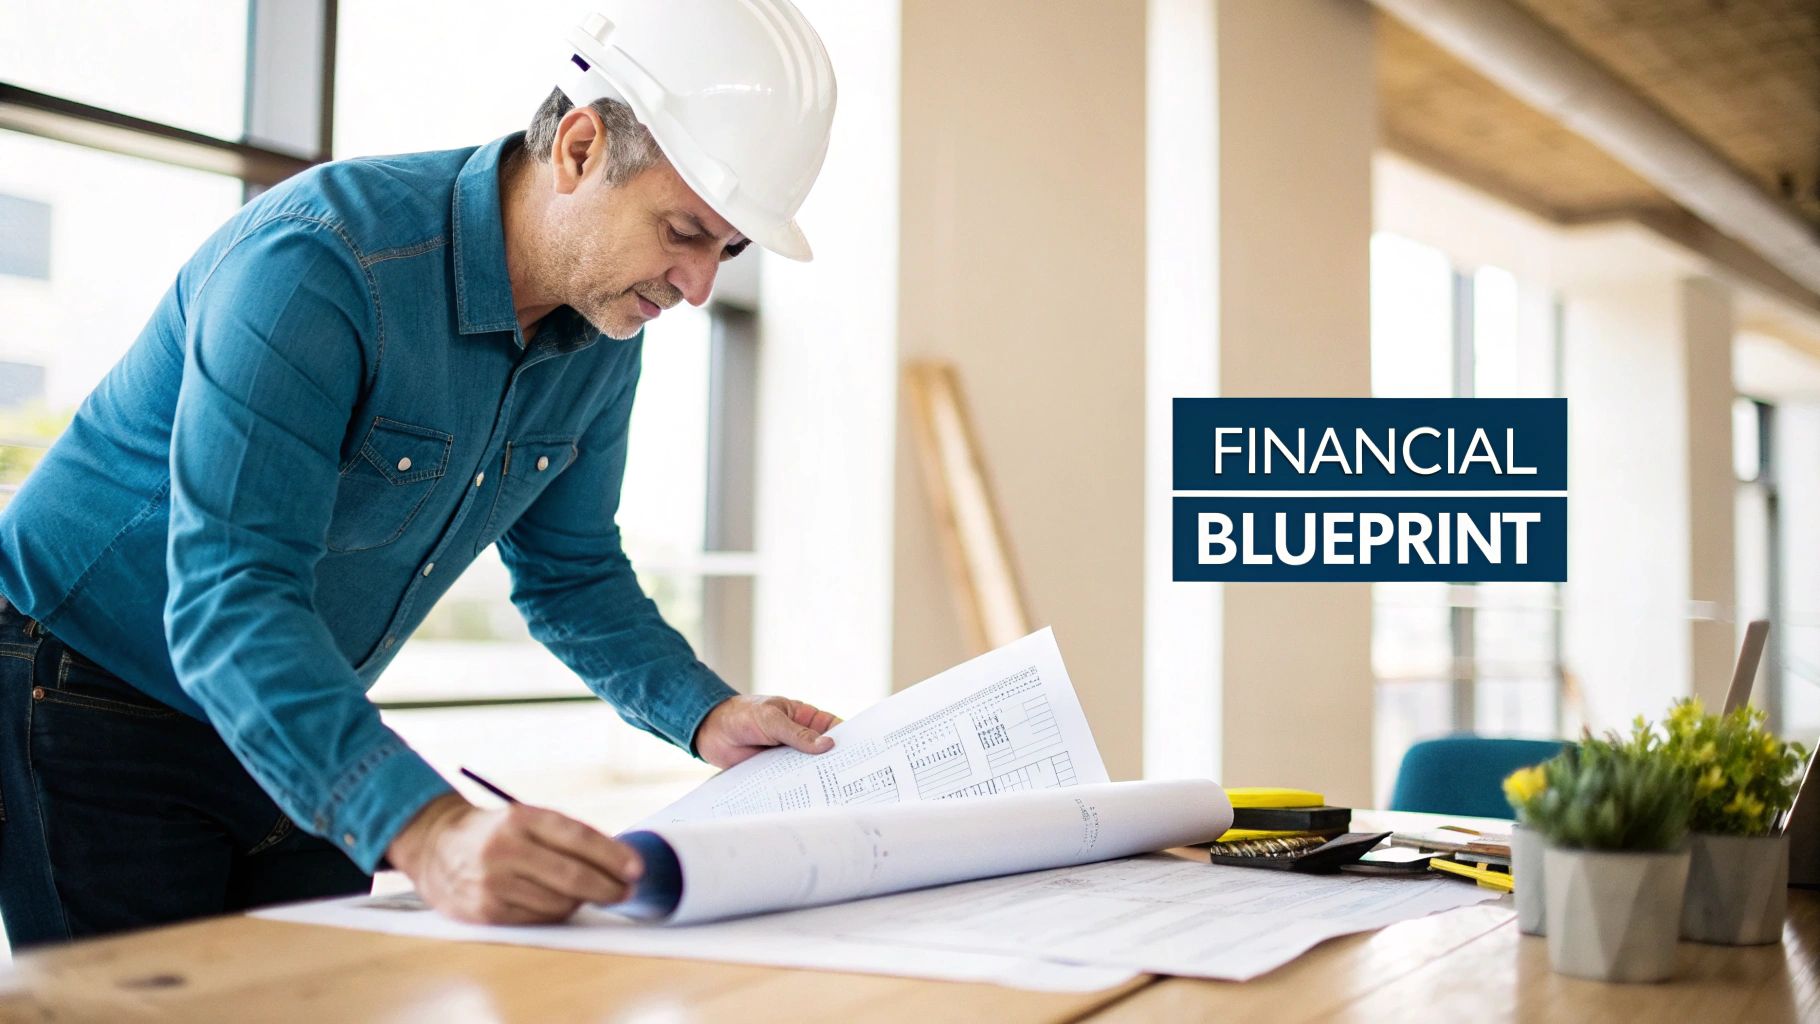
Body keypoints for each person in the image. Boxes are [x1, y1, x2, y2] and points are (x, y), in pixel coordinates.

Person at [0, 0, 839, 947]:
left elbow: (573, 575)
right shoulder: (320, 262)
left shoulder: (602, 331)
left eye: (726, 251)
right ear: (577, 147)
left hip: (299, 697)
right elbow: (230, 596)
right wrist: (431, 830)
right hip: (90, 679)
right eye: (683, 231)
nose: (698, 288)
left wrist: (708, 714)